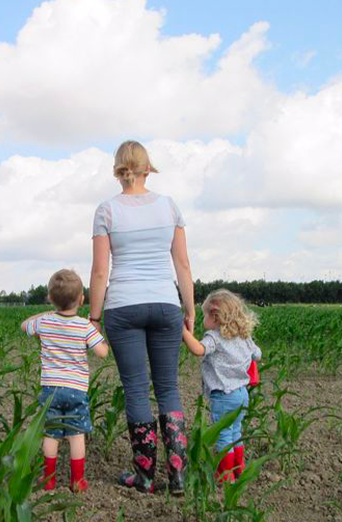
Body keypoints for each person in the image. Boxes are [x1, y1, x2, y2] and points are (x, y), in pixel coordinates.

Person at [89, 140, 194, 495]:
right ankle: (178, 475)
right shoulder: (169, 206)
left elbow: (100, 272)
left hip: (123, 306)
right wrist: (190, 309)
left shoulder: (107, 211)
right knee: (168, 388)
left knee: (136, 390)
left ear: (119, 170)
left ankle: (146, 476)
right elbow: (182, 264)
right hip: (166, 304)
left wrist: (94, 316)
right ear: (148, 168)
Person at [21, 269, 109, 492]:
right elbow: (102, 353)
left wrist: (43, 315)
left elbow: (24, 326)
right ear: (82, 299)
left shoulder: (45, 322)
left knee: (51, 433)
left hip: (50, 388)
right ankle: (77, 481)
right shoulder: (84, 326)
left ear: (50, 299)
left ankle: (48, 479)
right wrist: (103, 342)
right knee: (76, 434)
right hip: (76, 390)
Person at [181, 289, 262, 483]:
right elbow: (257, 355)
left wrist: (183, 331)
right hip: (242, 394)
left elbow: (198, 350)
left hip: (223, 395)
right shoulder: (244, 337)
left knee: (223, 434)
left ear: (216, 317)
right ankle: (238, 468)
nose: (203, 320)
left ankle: (225, 475)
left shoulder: (214, 338)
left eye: (204, 315)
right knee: (236, 431)